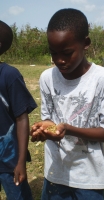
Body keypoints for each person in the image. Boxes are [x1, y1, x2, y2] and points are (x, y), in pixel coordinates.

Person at [30, 8, 104, 200]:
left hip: (88, 179)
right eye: (53, 53)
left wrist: (68, 129)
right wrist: (44, 129)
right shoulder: (47, 78)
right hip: (55, 175)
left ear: (85, 43)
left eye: (67, 53)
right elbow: (49, 118)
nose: (59, 60)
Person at [0, 20, 37, 200]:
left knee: (18, 196)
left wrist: (21, 161)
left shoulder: (9, 75)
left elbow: (22, 118)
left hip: (8, 157)